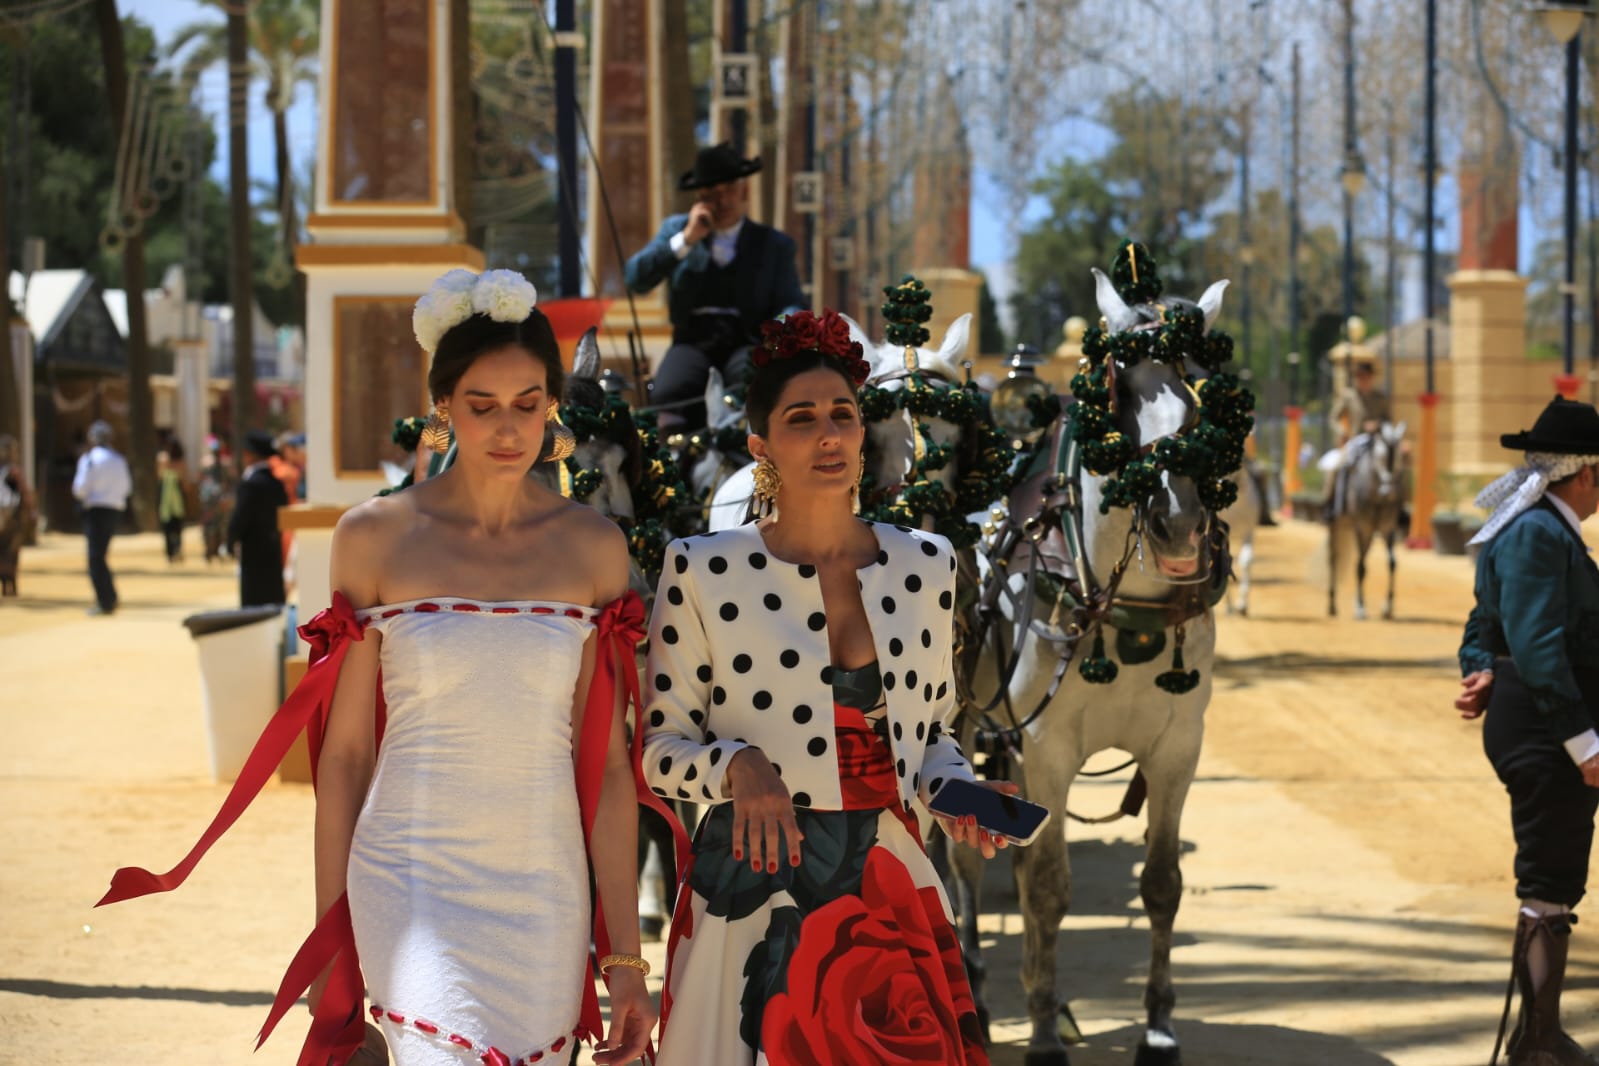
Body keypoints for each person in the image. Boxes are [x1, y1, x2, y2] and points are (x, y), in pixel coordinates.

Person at [98, 268, 667, 1066]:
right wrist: (330, 935)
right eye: (481, 406)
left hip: (545, 892)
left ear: (551, 405)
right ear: (442, 408)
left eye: (528, 404)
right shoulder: (372, 538)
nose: (508, 428)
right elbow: (347, 755)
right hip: (408, 874)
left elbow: (607, 771)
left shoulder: (594, 548)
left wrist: (625, 963)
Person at [642, 309, 1008, 1065]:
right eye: (801, 419)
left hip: (889, 883)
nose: (829, 435)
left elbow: (929, 735)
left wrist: (963, 796)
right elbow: (657, 749)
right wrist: (735, 765)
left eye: (842, 414)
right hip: (746, 889)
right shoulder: (701, 568)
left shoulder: (928, 564)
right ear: (760, 446)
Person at [1456, 395, 1599, 1066]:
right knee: (1547, 880)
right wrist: (1584, 743)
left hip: (1535, 718)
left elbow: (1483, 618)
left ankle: (1537, 1035)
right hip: (1547, 729)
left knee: (1555, 874)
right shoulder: (1540, 533)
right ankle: (1536, 1043)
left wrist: (1480, 665)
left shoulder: (1528, 526)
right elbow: (1539, 648)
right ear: (1585, 474)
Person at [624, 142, 805, 432]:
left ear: (744, 191)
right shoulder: (678, 230)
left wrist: (783, 331)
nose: (721, 202)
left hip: (747, 340)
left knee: (754, 388)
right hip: (692, 340)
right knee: (666, 395)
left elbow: (792, 302)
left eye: (728, 192)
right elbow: (635, 278)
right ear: (699, 197)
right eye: (711, 195)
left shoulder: (774, 245)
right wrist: (686, 240)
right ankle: (673, 469)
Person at [1322, 360, 1396, 520]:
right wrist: (1343, 432)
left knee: (1395, 464)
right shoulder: (1349, 396)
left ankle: (1397, 507)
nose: (1364, 380)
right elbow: (1333, 418)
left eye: (1367, 377)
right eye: (1361, 377)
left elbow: (1388, 419)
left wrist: (1377, 425)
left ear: (1371, 378)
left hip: (1378, 440)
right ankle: (1330, 504)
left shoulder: (1380, 397)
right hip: (1356, 441)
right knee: (1337, 467)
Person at [71, 420, 131, 616]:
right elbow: (127, 488)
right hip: (114, 511)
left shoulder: (89, 460)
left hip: (95, 511)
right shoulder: (119, 459)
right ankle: (110, 597)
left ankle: (105, 601)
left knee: (95, 558)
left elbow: (79, 489)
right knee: (100, 555)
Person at [229, 431, 290, 607]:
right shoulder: (277, 483)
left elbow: (241, 517)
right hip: (273, 549)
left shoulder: (251, 483)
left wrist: (230, 539)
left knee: (253, 599)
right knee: (272, 598)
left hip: (252, 550)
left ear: (250, 455)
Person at [0, 433, 33, 596]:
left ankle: (9, 583)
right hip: (11, 518)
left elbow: (24, 494)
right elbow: (24, 495)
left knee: (9, 550)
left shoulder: (13, 472)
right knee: (9, 551)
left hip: (12, 517)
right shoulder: (12, 472)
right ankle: (8, 583)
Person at [197, 438, 234, 563]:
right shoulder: (207, 464)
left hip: (220, 502)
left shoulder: (224, 465)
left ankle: (219, 551)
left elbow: (229, 482)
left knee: (221, 527)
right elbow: (201, 481)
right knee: (209, 528)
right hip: (209, 502)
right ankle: (209, 551)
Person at [157, 440, 188, 564]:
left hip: (171, 502)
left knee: (170, 529)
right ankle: (174, 551)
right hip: (172, 502)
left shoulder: (166, 462)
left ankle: (173, 552)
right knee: (175, 529)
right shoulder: (167, 462)